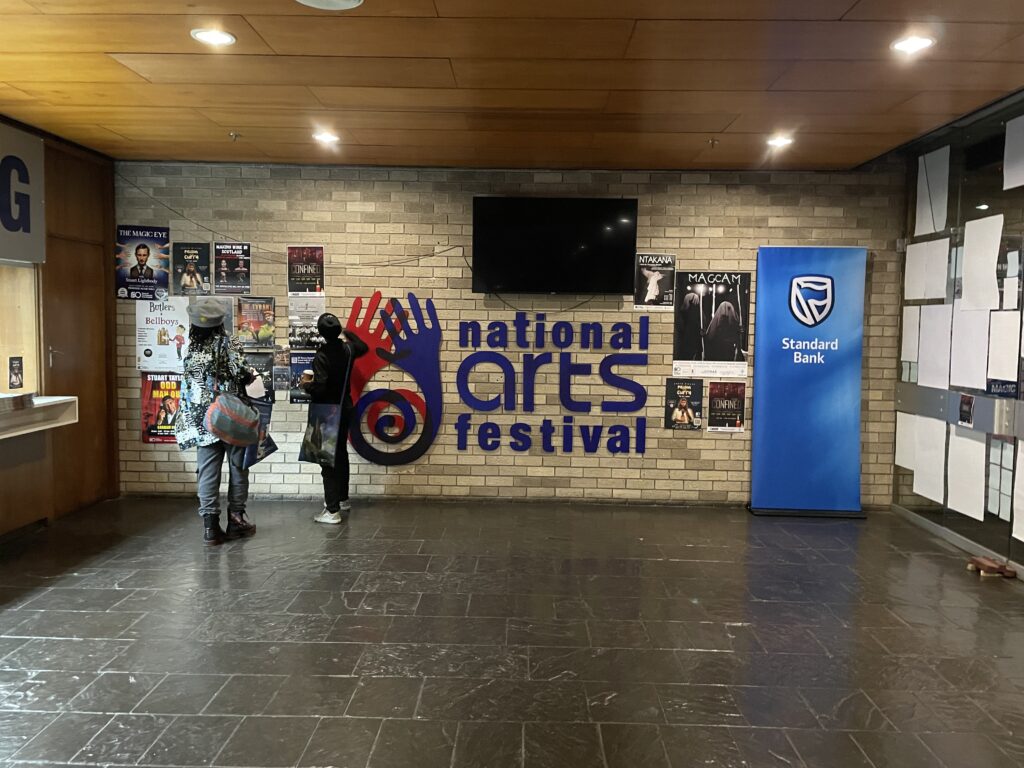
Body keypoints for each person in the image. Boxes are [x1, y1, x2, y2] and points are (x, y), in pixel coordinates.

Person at [175, 297, 257, 546]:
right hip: (228, 415)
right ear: (219, 323)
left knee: (207, 472)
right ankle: (236, 520)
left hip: (201, 419)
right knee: (237, 467)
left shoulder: (190, 347)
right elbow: (241, 372)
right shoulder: (228, 342)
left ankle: (210, 527)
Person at [301, 313, 368, 524]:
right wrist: (348, 333)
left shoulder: (321, 356)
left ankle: (331, 511)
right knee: (340, 453)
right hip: (345, 407)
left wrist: (306, 386)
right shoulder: (348, 349)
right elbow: (363, 347)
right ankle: (342, 498)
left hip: (327, 412)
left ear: (320, 333)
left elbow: (320, 388)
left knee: (327, 461)